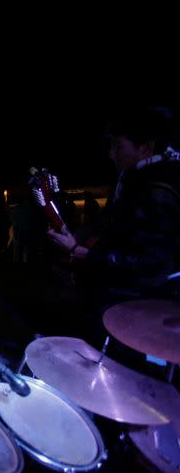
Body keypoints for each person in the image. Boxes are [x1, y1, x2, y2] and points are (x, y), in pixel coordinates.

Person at [46, 106, 180, 347]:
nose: (111, 154)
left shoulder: (158, 191)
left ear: (146, 147)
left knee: (105, 358)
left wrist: (79, 252)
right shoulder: (136, 179)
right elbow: (111, 217)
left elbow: (150, 261)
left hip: (134, 300)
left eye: (119, 146)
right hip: (116, 291)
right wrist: (75, 236)